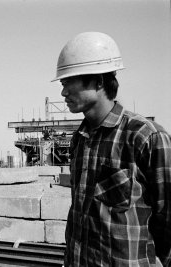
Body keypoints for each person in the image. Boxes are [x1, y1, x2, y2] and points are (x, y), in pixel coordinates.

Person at [52, 32, 171, 266]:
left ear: (98, 81)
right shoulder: (80, 139)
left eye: (68, 83)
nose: (63, 93)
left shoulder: (145, 137)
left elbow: (167, 221)